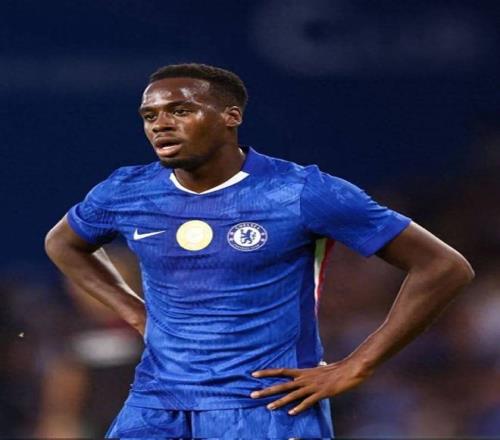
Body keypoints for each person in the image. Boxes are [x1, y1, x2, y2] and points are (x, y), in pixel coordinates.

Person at [45, 63, 474, 439]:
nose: (160, 124)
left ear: (231, 116)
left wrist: (358, 365)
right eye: (150, 115)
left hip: (264, 407)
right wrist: (136, 313)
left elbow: (443, 266)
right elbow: (63, 243)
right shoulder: (127, 190)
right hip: (156, 404)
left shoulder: (301, 191)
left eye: (180, 111)